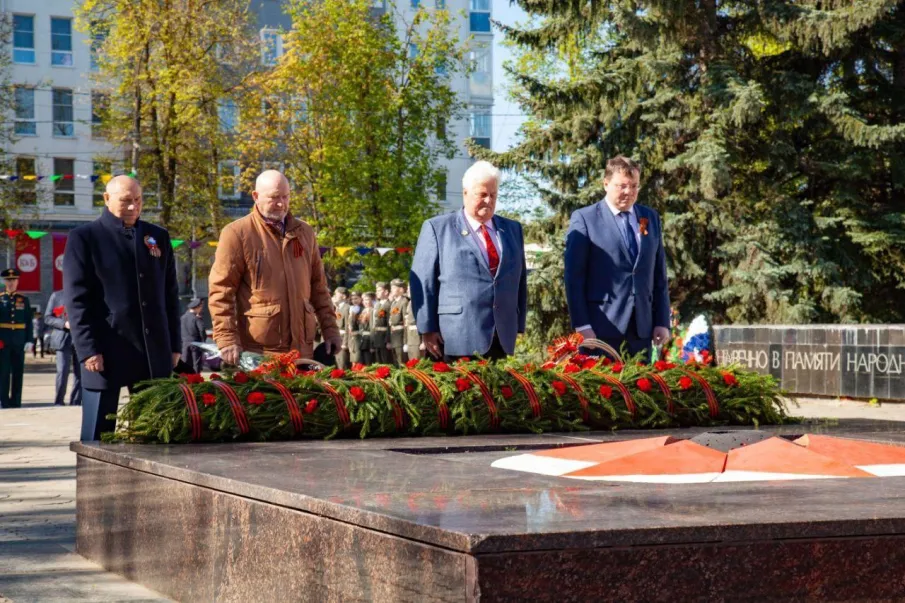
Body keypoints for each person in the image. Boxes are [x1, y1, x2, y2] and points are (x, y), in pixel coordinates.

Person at [64, 176, 182, 440]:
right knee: (98, 435)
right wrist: (88, 349)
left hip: (152, 352)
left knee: (153, 434)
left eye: (138, 200)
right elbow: (76, 299)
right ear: (107, 199)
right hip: (106, 350)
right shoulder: (85, 238)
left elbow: (170, 295)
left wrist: (174, 344)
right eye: (126, 201)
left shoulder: (157, 237)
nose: (133, 207)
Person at [208, 170, 341, 364]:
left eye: (286, 196)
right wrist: (226, 338)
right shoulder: (237, 233)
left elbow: (319, 287)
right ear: (255, 196)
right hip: (259, 353)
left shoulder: (305, 232)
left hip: (303, 350)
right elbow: (221, 291)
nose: (281, 203)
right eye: (274, 197)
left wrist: (330, 330)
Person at [410, 161, 527, 361]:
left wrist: (518, 322)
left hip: (500, 337)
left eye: (493, 195)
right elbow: (424, 281)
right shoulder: (438, 228)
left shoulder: (512, 229)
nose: (489, 200)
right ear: (465, 193)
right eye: (482, 194)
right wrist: (427, 328)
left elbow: (520, 280)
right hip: (453, 338)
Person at [564, 156, 670, 361]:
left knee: (641, 391)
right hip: (599, 329)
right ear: (606, 184)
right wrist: (582, 326)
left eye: (634, 186)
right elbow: (574, 277)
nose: (629, 192)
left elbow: (658, 274)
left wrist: (662, 321)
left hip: (642, 330)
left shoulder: (650, 218)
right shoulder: (585, 219)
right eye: (622, 186)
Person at [0, 268, 32, 408]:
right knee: (3, 372)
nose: (11, 283)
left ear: (18, 281)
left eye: (14, 280)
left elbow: (28, 321)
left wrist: (30, 340)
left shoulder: (24, 300)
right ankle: (4, 401)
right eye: (8, 280)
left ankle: (16, 401)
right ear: (4, 282)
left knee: (18, 372)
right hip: (3, 341)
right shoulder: (1, 299)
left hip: (19, 341)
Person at [44, 288, 82, 406]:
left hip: (80, 339)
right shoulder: (57, 296)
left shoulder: (82, 293)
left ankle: (76, 400)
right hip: (62, 338)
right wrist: (63, 324)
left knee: (80, 373)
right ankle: (59, 400)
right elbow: (48, 318)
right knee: (62, 370)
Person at [180, 298, 207, 374]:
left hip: (184, 344)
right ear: (197, 307)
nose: (201, 309)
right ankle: (195, 381)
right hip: (196, 344)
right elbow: (202, 330)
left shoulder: (182, 318)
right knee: (196, 364)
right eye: (201, 307)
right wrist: (203, 341)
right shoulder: (196, 318)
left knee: (185, 363)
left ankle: (184, 381)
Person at [370, 282, 392, 364]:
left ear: (386, 292)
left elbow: (389, 324)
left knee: (386, 361)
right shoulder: (377, 305)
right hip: (377, 337)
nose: (377, 292)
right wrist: (372, 341)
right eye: (376, 290)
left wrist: (388, 340)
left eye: (379, 290)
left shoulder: (389, 305)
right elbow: (373, 323)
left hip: (384, 337)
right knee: (378, 361)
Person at [388, 279, 408, 365]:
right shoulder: (393, 303)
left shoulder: (404, 301)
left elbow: (405, 322)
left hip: (401, 336)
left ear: (401, 289)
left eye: (394, 287)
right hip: (394, 335)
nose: (391, 290)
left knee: (401, 362)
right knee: (395, 361)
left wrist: (405, 341)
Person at [403, 285, 422, 362]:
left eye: (409, 288)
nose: (407, 290)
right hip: (410, 338)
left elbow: (423, 321)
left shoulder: (419, 302)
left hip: (417, 338)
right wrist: (406, 342)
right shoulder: (410, 302)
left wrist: (423, 342)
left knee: (418, 363)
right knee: (412, 363)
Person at [333, 287, 350, 369]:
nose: (335, 295)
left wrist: (345, 343)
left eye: (337, 293)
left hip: (342, 339)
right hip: (337, 338)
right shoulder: (338, 308)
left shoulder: (347, 308)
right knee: (337, 363)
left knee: (343, 364)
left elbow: (348, 327)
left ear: (343, 296)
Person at [347, 291, 363, 366]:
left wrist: (353, 315)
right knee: (353, 359)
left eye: (356, 298)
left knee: (358, 360)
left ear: (361, 298)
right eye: (352, 299)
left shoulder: (363, 310)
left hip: (360, 338)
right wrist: (351, 314)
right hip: (352, 338)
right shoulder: (351, 309)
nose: (354, 301)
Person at [359, 292, 374, 366]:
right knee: (363, 360)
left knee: (369, 361)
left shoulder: (372, 310)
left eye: (367, 300)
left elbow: (372, 327)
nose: (365, 302)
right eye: (364, 300)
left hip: (369, 339)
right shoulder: (363, 311)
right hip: (363, 338)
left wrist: (372, 344)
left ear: (372, 300)